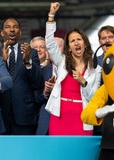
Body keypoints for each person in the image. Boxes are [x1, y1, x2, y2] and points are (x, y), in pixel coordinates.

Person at [44, 2, 101, 135]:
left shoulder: (95, 68)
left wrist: (83, 82)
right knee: (59, 152)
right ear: (69, 47)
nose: (76, 43)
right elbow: (50, 43)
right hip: (59, 115)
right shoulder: (62, 61)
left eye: (79, 39)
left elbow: (94, 97)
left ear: (85, 43)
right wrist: (51, 15)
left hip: (82, 116)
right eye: (72, 41)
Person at [0, 17, 43, 135]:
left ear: (20, 32)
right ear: (2, 33)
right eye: (8, 27)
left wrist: (27, 62)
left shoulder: (30, 52)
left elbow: (38, 83)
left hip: (24, 114)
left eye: (15, 27)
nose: (12, 29)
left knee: (24, 151)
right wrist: (3, 61)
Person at [30, 36, 56, 135]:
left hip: (48, 116)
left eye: (42, 47)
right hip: (30, 117)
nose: (38, 49)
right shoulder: (26, 68)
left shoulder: (54, 68)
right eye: (35, 47)